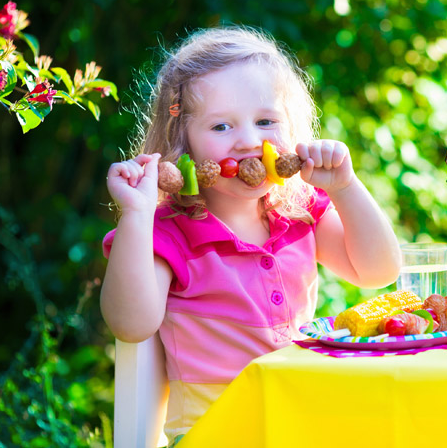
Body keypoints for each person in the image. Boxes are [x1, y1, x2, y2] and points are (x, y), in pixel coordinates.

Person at [101, 26, 401, 442]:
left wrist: (346, 187)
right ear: (182, 140)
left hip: (297, 424)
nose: (247, 141)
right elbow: (130, 324)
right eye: (221, 127)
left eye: (265, 121)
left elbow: (378, 271)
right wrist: (135, 214)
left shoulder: (300, 210)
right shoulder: (168, 233)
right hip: (215, 432)